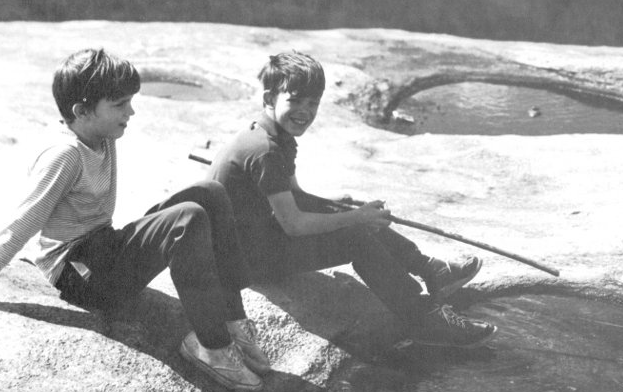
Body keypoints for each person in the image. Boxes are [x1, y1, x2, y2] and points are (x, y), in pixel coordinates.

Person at [0, 47, 269, 392]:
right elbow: (20, 223)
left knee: (210, 193)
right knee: (187, 220)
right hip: (82, 275)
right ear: (81, 111)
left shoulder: (100, 135)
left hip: (103, 247)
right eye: (120, 104)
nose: (131, 112)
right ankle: (212, 346)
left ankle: (232, 319)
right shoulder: (65, 156)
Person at [210, 50, 497, 352]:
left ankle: (429, 268)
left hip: (255, 239)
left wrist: (344, 205)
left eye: (312, 103)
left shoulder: (277, 137)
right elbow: (294, 225)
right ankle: (421, 317)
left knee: (342, 211)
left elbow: (296, 197)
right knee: (355, 236)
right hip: (244, 262)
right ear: (269, 99)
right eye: (295, 101)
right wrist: (357, 218)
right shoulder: (265, 151)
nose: (304, 112)